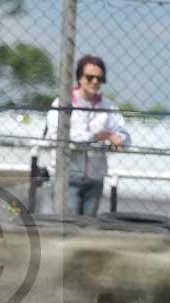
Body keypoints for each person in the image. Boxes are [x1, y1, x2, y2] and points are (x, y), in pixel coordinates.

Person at [45, 54, 131, 216]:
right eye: (90, 77)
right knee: (68, 227)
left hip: (95, 179)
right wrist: (95, 137)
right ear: (79, 78)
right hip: (66, 176)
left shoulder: (108, 106)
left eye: (99, 78)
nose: (95, 82)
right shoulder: (63, 102)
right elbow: (56, 136)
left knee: (88, 229)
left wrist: (118, 139)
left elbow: (123, 133)